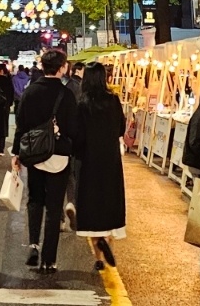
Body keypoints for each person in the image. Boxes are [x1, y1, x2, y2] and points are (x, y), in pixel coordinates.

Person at [13, 47, 79, 274]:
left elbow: (21, 125)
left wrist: (16, 154)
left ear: (42, 66)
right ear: (62, 68)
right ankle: (49, 258)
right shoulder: (67, 94)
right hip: (59, 155)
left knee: (35, 200)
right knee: (53, 208)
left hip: (34, 154)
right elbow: (73, 128)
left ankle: (33, 244)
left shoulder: (30, 92)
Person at [72, 63, 126, 269]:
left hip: (88, 160)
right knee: (109, 202)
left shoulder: (82, 103)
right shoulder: (113, 100)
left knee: (91, 203)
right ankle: (107, 240)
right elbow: (121, 128)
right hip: (110, 159)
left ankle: (98, 257)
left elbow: (77, 134)